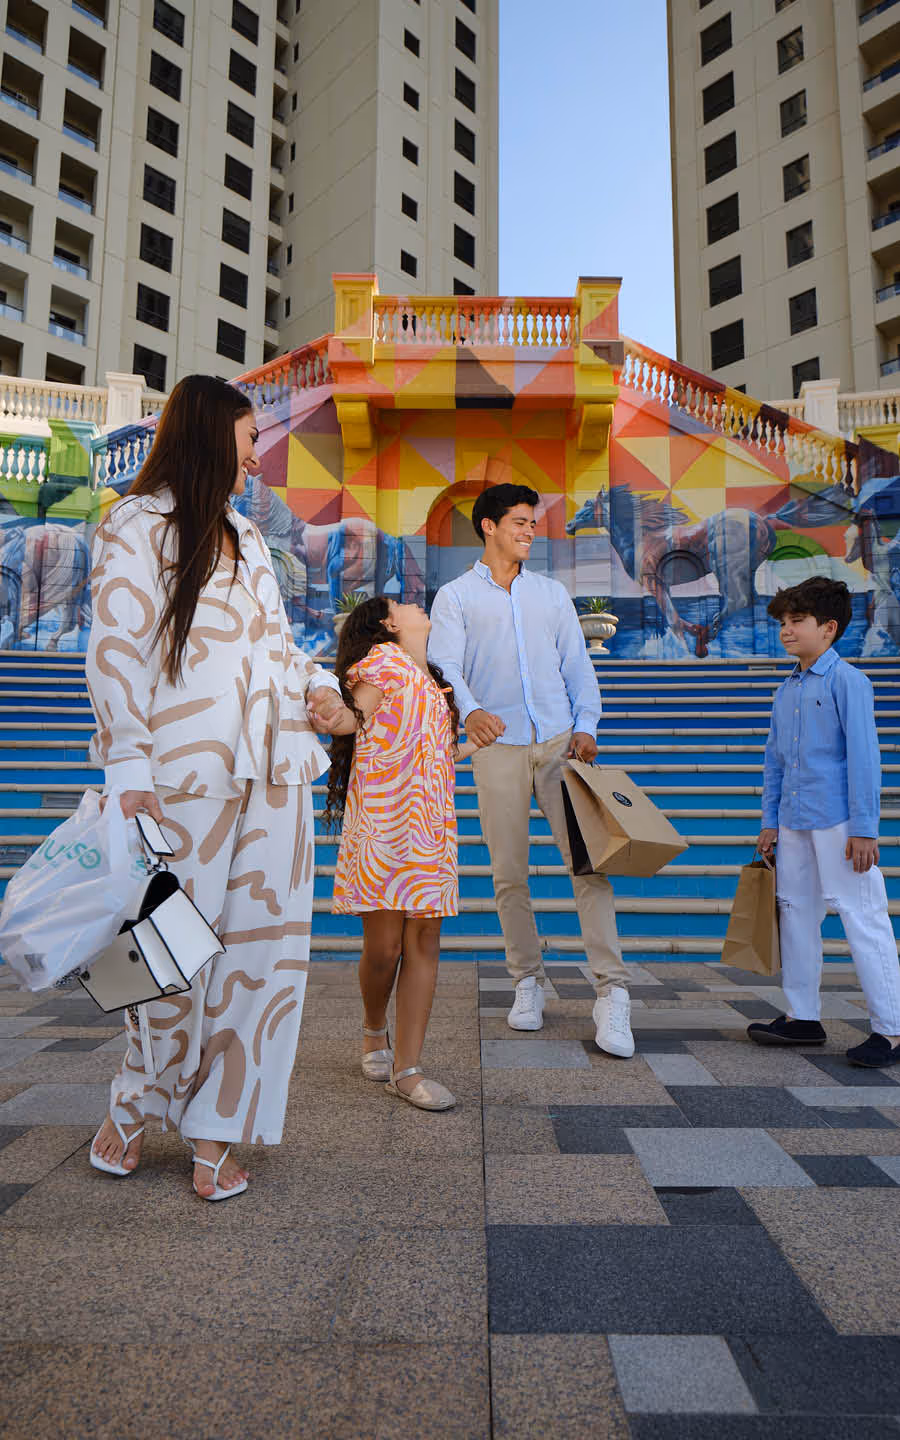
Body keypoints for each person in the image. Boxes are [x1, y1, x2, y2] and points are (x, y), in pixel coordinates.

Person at [86, 374, 347, 1199]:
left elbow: (274, 648)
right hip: (179, 777)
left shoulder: (250, 538)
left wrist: (321, 686)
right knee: (168, 954)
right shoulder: (136, 525)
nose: (256, 460)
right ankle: (133, 1103)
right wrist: (128, 767)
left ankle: (216, 1133)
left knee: (259, 965)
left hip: (272, 775)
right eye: (247, 444)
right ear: (207, 438)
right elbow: (117, 650)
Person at [428, 482, 634, 1058]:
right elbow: (444, 661)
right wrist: (470, 712)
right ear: (489, 526)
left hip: (561, 745)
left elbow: (578, 664)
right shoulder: (456, 597)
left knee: (589, 865)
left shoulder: (550, 594)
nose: (529, 530)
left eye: (532, 522)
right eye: (519, 521)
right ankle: (527, 980)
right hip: (496, 747)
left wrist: (588, 724)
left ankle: (611, 993)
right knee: (508, 872)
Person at [321, 596, 485, 1109]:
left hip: (431, 825)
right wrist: (332, 715)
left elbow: (436, 752)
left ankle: (407, 1069)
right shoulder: (382, 662)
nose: (416, 604)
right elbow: (354, 717)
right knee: (386, 945)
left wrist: (474, 743)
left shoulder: (436, 686)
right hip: (385, 824)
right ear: (390, 623)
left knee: (425, 941)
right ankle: (374, 1030)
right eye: (404, 603)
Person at [749, 576, 900, 1066]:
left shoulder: (848, 682)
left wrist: (864, 828)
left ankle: (892, 1029)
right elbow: (774, 762)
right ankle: (803, 1018)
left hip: (838, 822)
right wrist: (770, 821)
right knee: (795, 914)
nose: (787, 631)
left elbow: (864, 756)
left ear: (829, 628)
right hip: (793, 822)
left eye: (797, 622)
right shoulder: (786, 689)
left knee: (863, 917)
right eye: (783, 623)